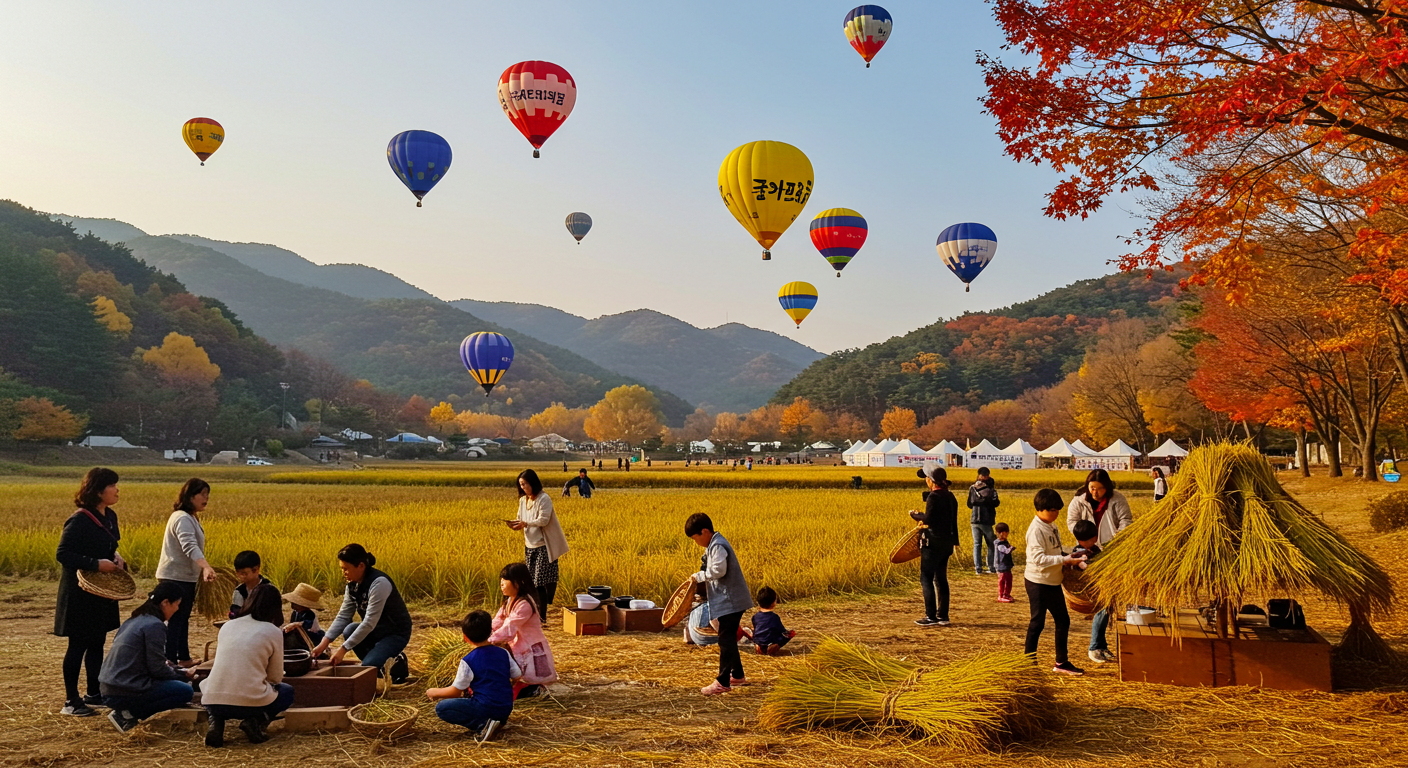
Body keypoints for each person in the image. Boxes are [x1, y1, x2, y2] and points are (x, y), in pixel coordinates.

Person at [55, 467, 127, 717]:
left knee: (97, 641)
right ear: (98, 490)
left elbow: (110, 546)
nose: (117, 490)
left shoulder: (110, 516)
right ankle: (71, 701)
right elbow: (63, 554)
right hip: (79, 592)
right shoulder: (80, 519)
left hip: (101, 590)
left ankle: (94, 693)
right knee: (78, 644)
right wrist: (95, 564)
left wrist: (115, 558)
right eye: (113, 485)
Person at [201, 584, 295, 747]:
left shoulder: (227, 626)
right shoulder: (273, 631)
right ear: (275, 607)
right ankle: (255, 721)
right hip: (249, 705)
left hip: (213, 700)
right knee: (287, 691)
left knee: (215, 691)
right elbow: (275, 677)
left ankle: (216, 722)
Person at [98, 581, 196, 732]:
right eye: (177, 604)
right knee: (185, 691)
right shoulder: (155, 625)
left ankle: (124, 710)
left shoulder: (135, 620)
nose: (177, 609)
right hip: (125, 688)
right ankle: (129, 713)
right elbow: (157, 668)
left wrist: (179, 670)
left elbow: (158, 660)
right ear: (165, 602)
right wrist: (183, 677)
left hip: (108, 687)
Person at [312, 544, 413, 681]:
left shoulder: (379, 583)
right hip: (375, 631)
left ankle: (394, 662)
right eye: (342, 569)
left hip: (394, 633)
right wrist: (323, 644)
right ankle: (381, 661)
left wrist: (343, 650)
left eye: (346, 569)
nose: (344, 573)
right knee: (349, 629)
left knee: (367, 668)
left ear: (361, 566)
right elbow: (344, 616)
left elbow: (369, 622)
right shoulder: (352, 585)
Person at [1066, 469, 1133, 663]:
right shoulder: (1079, 501)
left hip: (1112, 550)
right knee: (1105, 600)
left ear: (1107, 487)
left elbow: (1126, 520)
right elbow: (1072, 521)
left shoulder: (1117, 499)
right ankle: (1095, 646)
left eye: (1100, 488)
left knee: (1108, 601)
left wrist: (1118, 539)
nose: (1095, 492)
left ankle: (1100, 645)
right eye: (1092, 488)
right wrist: (1085, 536)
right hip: (1089, 549)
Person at [427, 610, 520, 741]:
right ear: (491, 631)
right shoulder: (503, 652)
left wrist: (434, 692)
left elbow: (455, 692)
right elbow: (517, 675)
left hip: (484, 707)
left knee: (442, 708)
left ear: (465, 637)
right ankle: (497, 723)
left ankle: (483, 725)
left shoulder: (468, 660)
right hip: (506, 708)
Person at [686, 512, 752, 695]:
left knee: (725, 639)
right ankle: (737, 676)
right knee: (728, 638)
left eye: (695, 538)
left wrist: (700, 576)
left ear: (705, 531)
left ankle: (722, 681)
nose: (696, 542)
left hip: (731, 600)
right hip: (730, 600)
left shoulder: (718, 545)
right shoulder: (714, 545)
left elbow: (719, 570)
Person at [155, 478, 218, 666]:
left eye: (208, 494)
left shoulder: (189, 516)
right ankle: (171, 661)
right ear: (190, 496)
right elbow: (189, 546)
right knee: (175, 620)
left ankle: (183, 658)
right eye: (202, 494)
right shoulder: (182, 518)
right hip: (175, 577)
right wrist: (205, 566)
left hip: (184, 577)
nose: (206, 498)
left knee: (182, 619)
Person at [1026, 489, 1086, 676]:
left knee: (1063, 620)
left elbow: (1053, 552)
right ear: (1041, 509)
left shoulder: (1051, 525)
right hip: (1038, 582)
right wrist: (1064, 560)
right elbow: (1039, 559)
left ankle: (1061, 662)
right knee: (1037, 623)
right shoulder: (1036, 530)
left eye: (1058, 510)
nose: (1056, 513)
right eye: (1053, 510)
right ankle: (1028, 664)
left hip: (1053, 582)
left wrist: (1069, 557)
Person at [509, 469, 570, 623]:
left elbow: (543, 520)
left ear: (533, 483)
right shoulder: (523, 500)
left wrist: (526, 523)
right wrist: (516, 524)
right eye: (521, 485)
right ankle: (535, 614)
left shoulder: (544, 499)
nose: (523, 487)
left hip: (544, 546)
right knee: (532, 582)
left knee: (539, 583)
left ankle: (542, 618)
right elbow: (519, 517)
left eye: (525, 484)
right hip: (529, 546)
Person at [488, 563, 557, 697]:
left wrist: (489, 641)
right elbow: (498, 620)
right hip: (518, 646)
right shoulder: (509, 601)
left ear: (518, 583)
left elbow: (509, 628)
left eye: (505, 581)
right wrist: (486, 633)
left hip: (530, 648)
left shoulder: (524, 604)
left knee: (530, 678)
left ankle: (535, 690)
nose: (501, 584)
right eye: (501, 580)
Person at [909, 465, 960, 627]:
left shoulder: (934, 497)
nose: (925, 481)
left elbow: (929, 519)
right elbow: (953, 522)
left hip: (932, 544)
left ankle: (930, 616)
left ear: (931, 480)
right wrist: (955, 542)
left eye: (926, 478)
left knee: (926, 578)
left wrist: (914, 515)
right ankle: (943, 616)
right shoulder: (951, 496)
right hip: (947, 544)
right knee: (941, 579)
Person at [967, 468, 1001, 574]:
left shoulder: (972, 488)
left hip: (974, 520)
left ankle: (978, 569)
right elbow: (996, 503)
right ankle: (991, 567)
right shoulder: (990, 490)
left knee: (977, 544)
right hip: (986, 520)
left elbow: (969, 504)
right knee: (991, 543)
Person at [228, 550, 276, 621]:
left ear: (256, 570)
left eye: (244, 573)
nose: (241, 577)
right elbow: (235, 614)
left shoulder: (269, 590)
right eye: (238, 574)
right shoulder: (239, 591)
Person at [750, 586, 795, 656]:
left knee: (754, 632)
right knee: (789, 634)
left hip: (759, 643)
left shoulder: (755, 617)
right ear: (773, 603)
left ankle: (758, 646)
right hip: (770, 645)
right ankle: (772, 648)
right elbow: (782, 632)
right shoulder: (774, 617)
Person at [993, 522, 1016, 603]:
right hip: (1001, 566)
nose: (1005, 534)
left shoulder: (1005, 542)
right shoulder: (999, 543)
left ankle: (1007, 594)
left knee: (1009, 579)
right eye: (1003, 532)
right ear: (998, 533)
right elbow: (1004, 551)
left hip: (1006, 565)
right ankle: (1001, 595)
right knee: (1003, 580)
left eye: (1006, 532)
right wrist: (1011, 548)